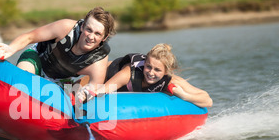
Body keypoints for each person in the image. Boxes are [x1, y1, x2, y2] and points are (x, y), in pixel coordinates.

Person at [0, 7, 116, 88]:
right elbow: (29, 37)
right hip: (37, 58)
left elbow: (93, 89)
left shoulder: (99, 60)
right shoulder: (65, 28)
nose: (91, 37)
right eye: (89, 29)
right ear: (83, 26)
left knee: (67, 102)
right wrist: (10, 48)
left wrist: (84, 95)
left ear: (104, 38)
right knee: (22, 83)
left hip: (61, 78)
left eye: (97, 34)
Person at [81, 43, 213, 108]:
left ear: (166, 72)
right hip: (101, 77)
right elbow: (102, 90)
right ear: (144, 63)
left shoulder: (170, 80)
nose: (151, 73)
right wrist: (84, 95)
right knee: (76, 90)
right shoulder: (129, 73)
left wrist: (184, 96)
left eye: (157, 70)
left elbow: (207, 100)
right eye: (148, 66)